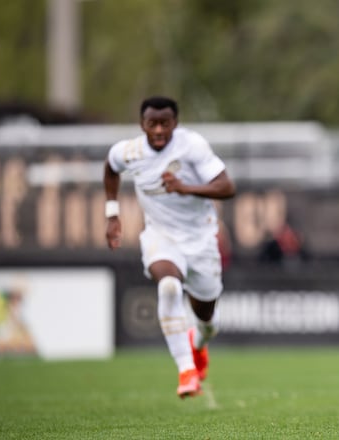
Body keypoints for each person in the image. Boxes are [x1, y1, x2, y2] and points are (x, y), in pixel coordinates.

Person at [103, 96, 236, 398]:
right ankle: (187, 371)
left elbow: (227, 187)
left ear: (175, 123)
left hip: (201, 240)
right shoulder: (129, 151)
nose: (159, 130)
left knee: (208, 323)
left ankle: (199, 345)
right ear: (142, 125)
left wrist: (185, 187)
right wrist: (112, 214)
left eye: (165, 124)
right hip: (160, 236)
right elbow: (110, 168)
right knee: (169, 287)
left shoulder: (192, 146)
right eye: (153, 124)